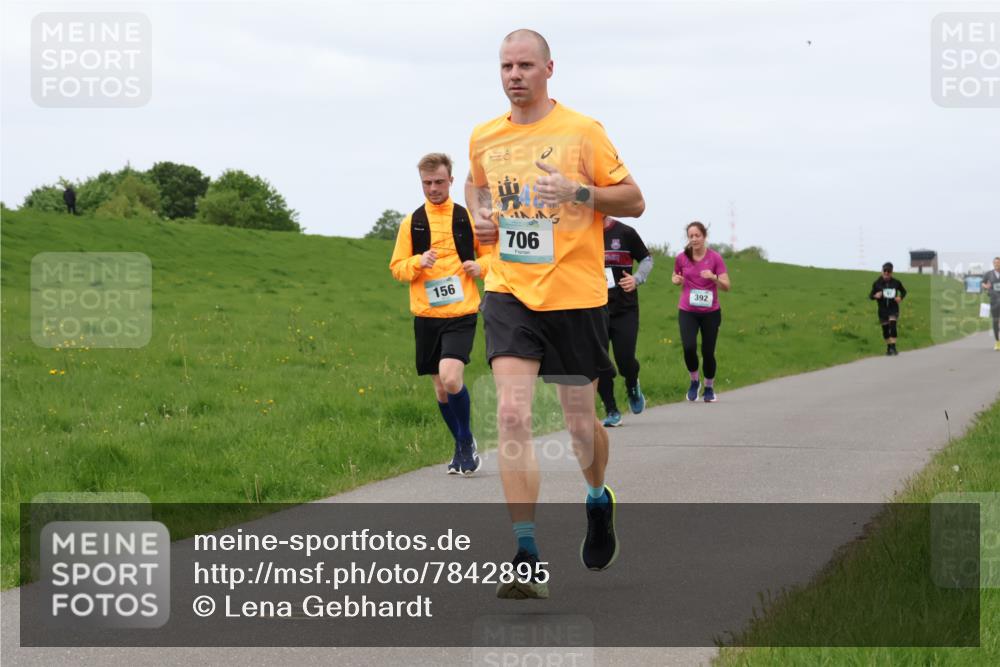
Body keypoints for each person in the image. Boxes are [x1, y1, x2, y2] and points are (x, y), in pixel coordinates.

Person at [465, 29, 645, 599]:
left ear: (548, 68)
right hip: (508, 290)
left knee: (579, 426)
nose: (513, 75)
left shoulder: (581, 131)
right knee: (513, 415)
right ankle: (525, 554)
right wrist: (483, 218)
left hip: (574, 296)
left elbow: (634, 199)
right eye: (505, 66)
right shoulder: (484, 137)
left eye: (524, 65)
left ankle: (597, 499)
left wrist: (578, 192)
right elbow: (476, 190)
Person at [390, 153, 490, 475]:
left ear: (450, 180)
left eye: (438, 182)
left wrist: (480, 266)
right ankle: (464, 442)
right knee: (440, 388)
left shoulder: (466, 218)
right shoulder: (412, 222)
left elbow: (492, 256)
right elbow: (397, 269)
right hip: (426, 314)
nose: (433, 188)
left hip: (461, 311)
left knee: (450, 377)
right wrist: (418, 262)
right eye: (426, 183)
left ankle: (464, 441)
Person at [598, 216, 653, 427]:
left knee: (625, 359)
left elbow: (647, 259)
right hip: (594, 309)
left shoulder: (625, 232)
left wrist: (636, 278)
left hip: (624, 308)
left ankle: (632, 383)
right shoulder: (582, 233)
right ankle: (611, 409)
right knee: (599, 361)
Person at [671, 222, 730, 402]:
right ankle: (694, 380)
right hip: (687, 310)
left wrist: (713, 277)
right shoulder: (682, 258)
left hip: (711, 312)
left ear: (704, 237)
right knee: (689, 347)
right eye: (691, 236)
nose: (694, 239)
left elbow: (727, 286)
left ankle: (709, 387)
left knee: (708, 351)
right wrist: (676, 279)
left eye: (697, 235)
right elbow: (674, 276)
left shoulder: (715, 258)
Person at [869, 262, 907, 356]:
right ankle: (889, 347)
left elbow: (904, 291)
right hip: (882, 309)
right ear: (882, 271)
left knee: (893, 325)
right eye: (885, 271)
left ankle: (893, 347)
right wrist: (875, 296)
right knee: (885, 330)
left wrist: (900, 298)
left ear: (892, 272)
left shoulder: (896, 282)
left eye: (888, 271)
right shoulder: (877, 283)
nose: (886, 273)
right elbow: (870, 296)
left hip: (893, 308)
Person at [982, 257, 1000, 351]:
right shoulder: (989, 274)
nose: (997, 264)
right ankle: (997, 342)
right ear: (993, 264)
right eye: (995, 263)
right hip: (994, 300)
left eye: (998, 263)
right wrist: (986, 286)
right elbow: (983, 283)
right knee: (995, 321)